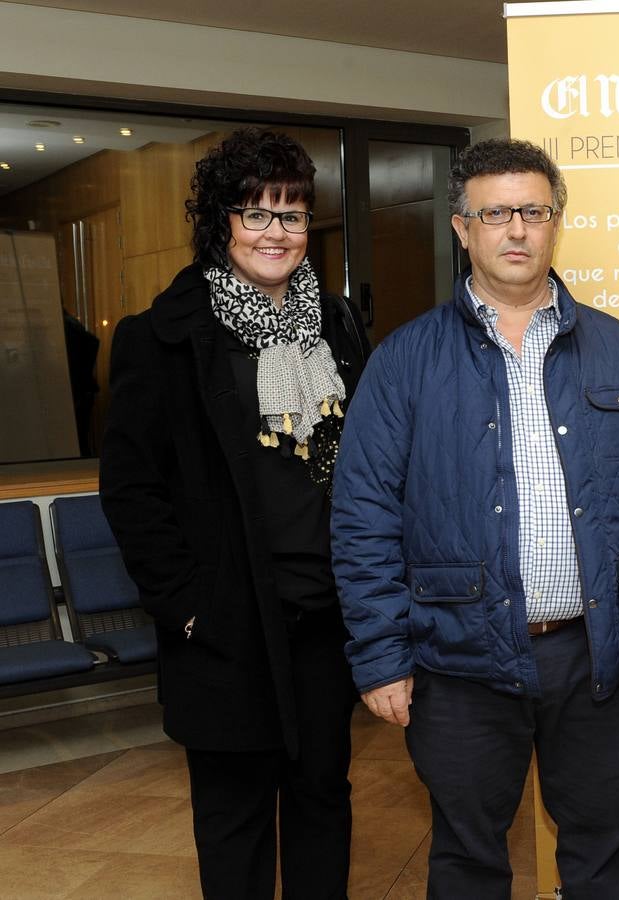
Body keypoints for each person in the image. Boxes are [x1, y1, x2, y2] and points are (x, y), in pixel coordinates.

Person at [330, 138, 619, 900]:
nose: (516, 230)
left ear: (556, 222)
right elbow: (363, 515)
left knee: (597, 849)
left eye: (533, 211)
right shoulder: (405, 359)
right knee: (466, 856)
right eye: (496, 213)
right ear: (463, 229)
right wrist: (381, 654)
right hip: (456, 661)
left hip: (598, 657)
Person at [100, 128, 368, 899]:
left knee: (323, 801)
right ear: (221, 222)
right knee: (235, 821)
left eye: (290, 214)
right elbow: (132, 490)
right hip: (225, 627)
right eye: (255, 214)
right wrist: (186, 610)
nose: (276, 233)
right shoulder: (163, 338)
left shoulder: (339, 328)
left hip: (325, 621)